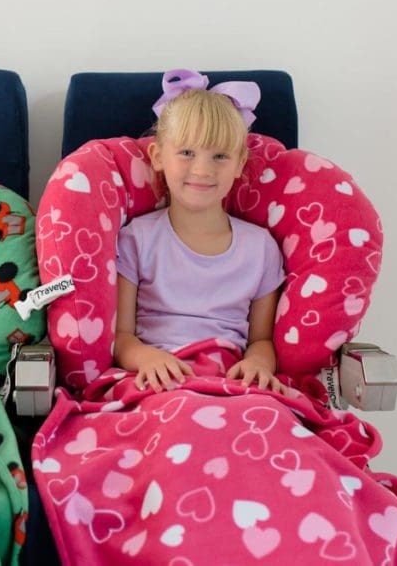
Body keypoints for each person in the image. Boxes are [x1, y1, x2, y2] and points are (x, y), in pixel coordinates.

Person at [114, 69, 286, 394]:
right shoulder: (137, 239)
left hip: (231, 384)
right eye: (187, 153)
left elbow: (262, 340)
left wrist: (258, 364)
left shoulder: (261, 247)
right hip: (157, 382)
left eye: (220, 156)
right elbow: (122, 337)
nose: (203, 170)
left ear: (239, 164)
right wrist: (146, 358)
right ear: (158, 156)